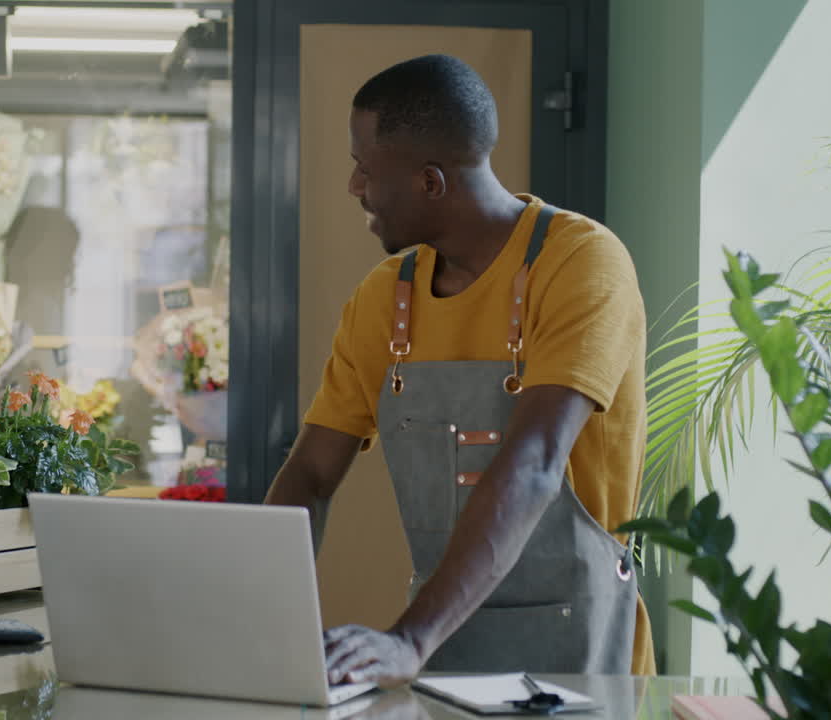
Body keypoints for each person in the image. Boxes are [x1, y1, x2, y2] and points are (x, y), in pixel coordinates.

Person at [265, 54, 655, 686]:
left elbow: (533, 464)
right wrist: (259, 620)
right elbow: (310, 473)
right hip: (442, 663)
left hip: (581, 672)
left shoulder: (582, 264)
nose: (354, 187)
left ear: (430, 182)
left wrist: (408, 641)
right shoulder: (383, 297)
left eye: (364, 168)